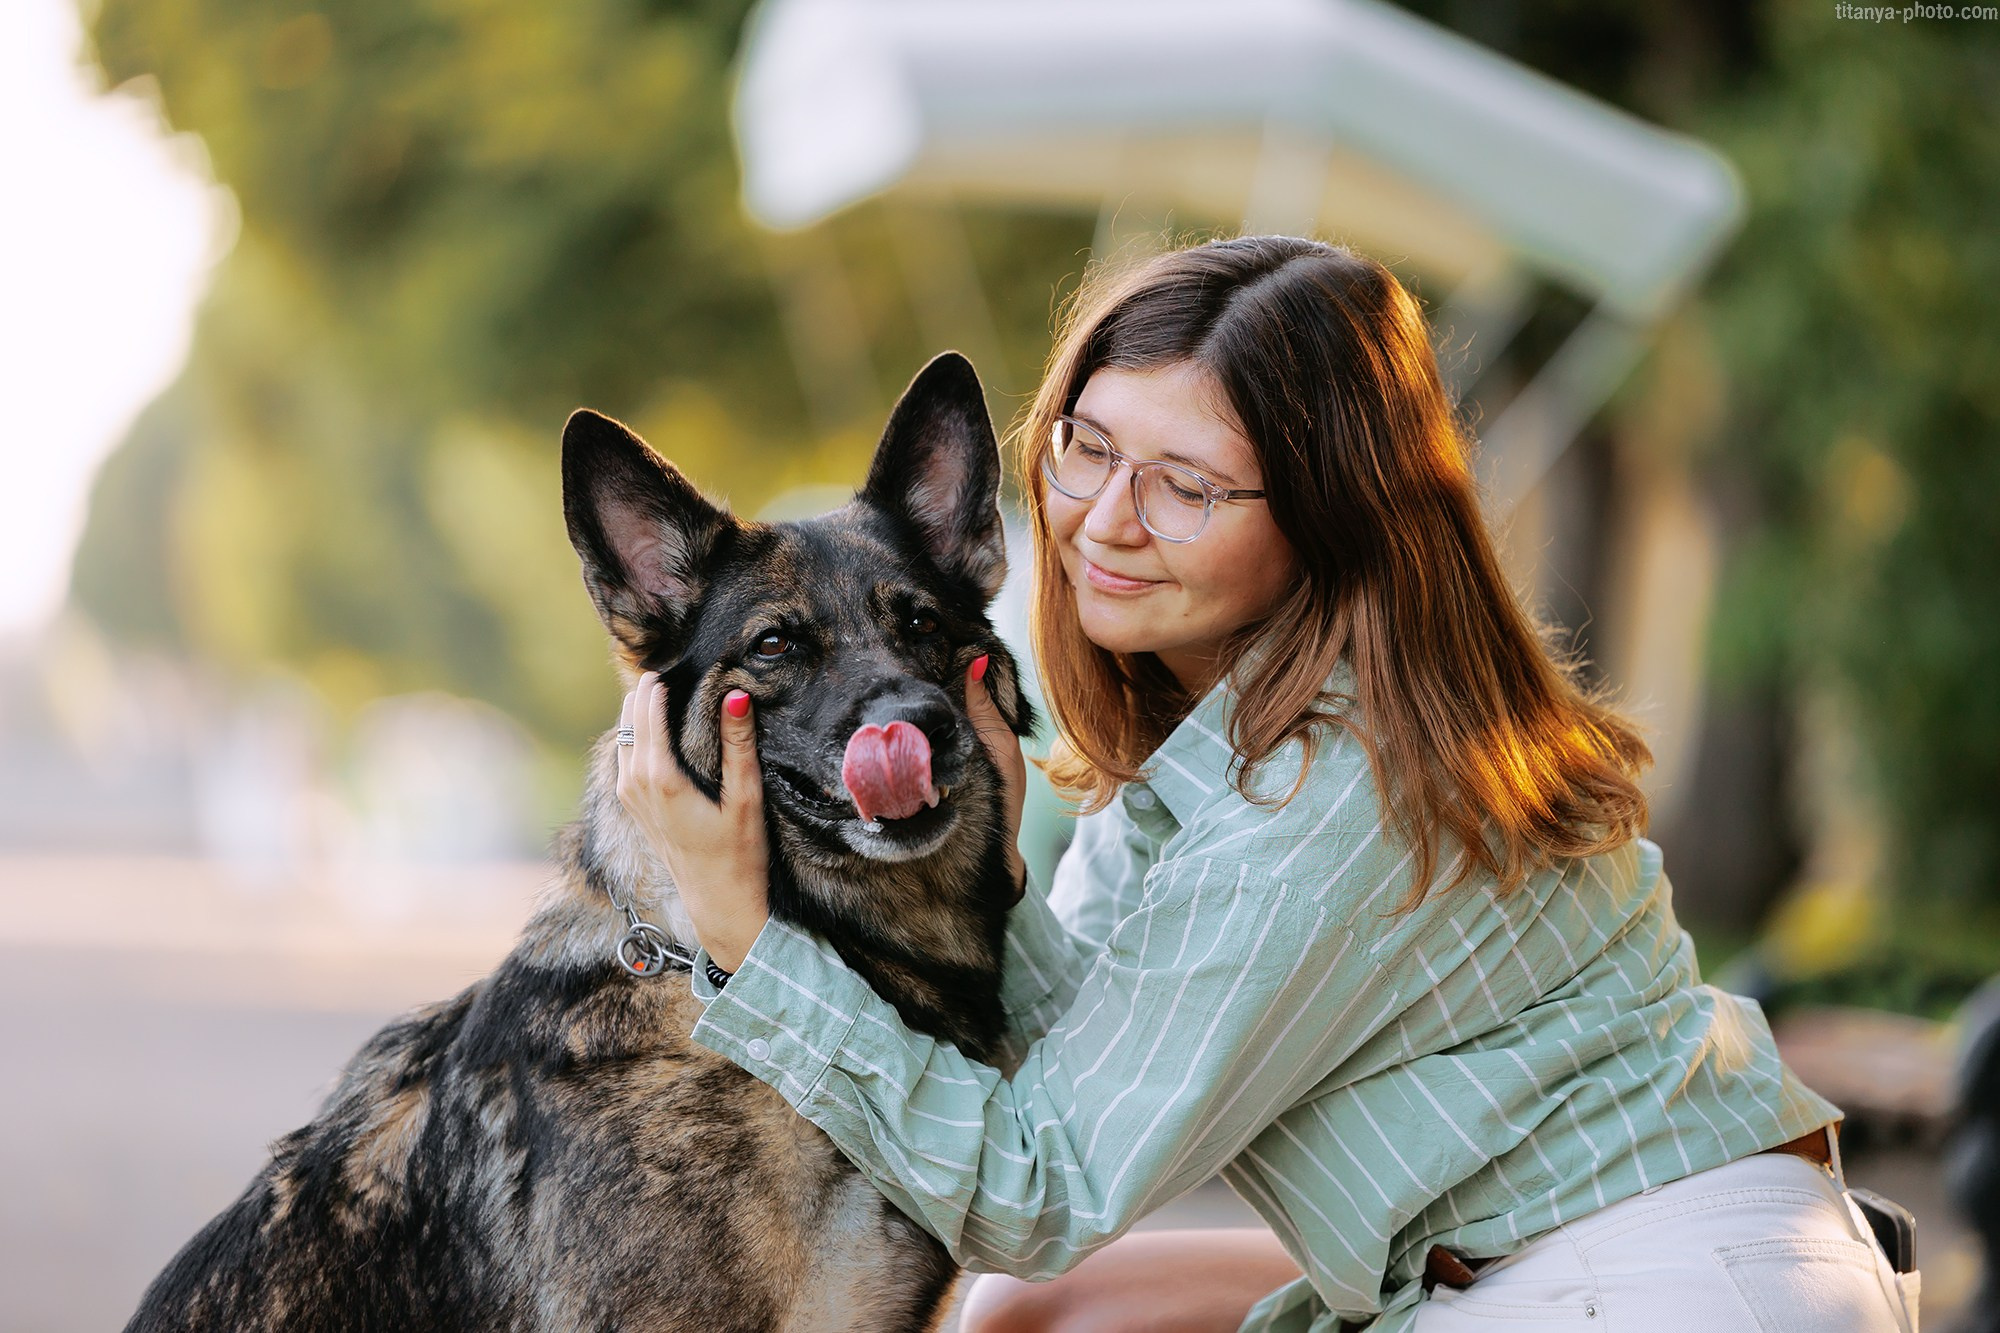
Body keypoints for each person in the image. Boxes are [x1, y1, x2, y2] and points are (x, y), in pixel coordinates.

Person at [615, 236, 1918, 1332]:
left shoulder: (1321, 795)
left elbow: (1041, 1182)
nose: (1105, 522)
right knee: (1021, 1309)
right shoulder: (1209, 749)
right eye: (1087, 446)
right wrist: (998, 867)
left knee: (1025, 1272)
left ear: (1328, 516)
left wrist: (752, 944)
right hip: (1541, 1259)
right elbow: (1081, 1072)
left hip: (1659, 1287)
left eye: (1186, 485)